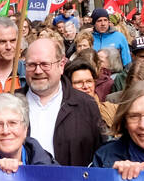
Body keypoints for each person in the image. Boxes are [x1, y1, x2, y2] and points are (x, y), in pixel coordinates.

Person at [22, 37, 104, 167]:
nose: (38, 71)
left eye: (45, 64)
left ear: (61, 66)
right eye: (31, 65)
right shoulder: (9, 103)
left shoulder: (86, 105)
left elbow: (102, 154)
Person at [67, 58, 117, 132]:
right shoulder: (64, 116)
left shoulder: (113, 109)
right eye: (79, 82)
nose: (85, 86)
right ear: (69, 85)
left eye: (89, 81)